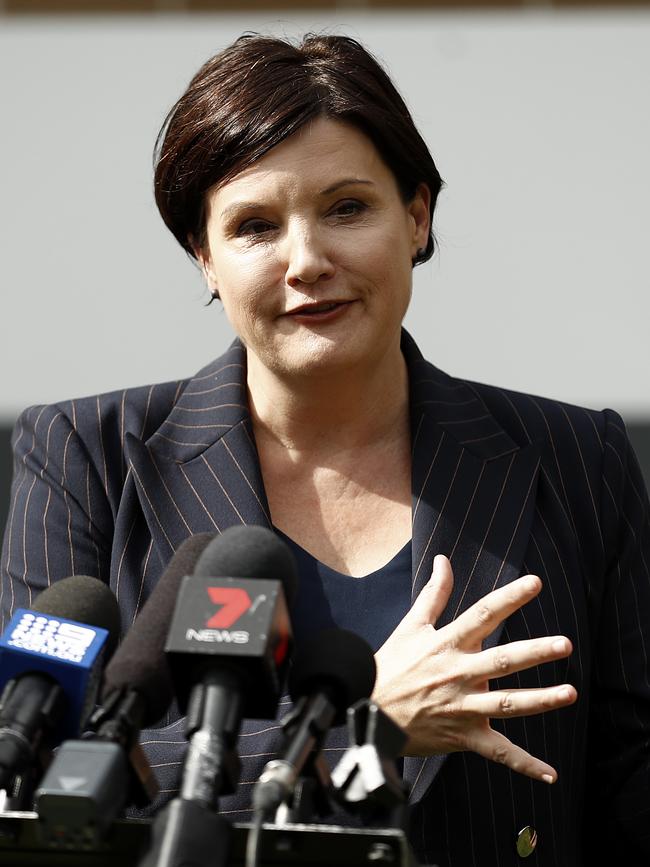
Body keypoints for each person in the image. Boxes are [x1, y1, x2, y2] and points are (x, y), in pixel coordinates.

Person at [2, 33, 649, 866]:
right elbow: (37, 780)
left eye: (347, 208)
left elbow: (631, 784)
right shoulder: (85, 458)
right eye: (255, 226)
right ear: (204, 257)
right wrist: (366, 725)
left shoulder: (577, 457)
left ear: (417, 217)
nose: (307, 260)